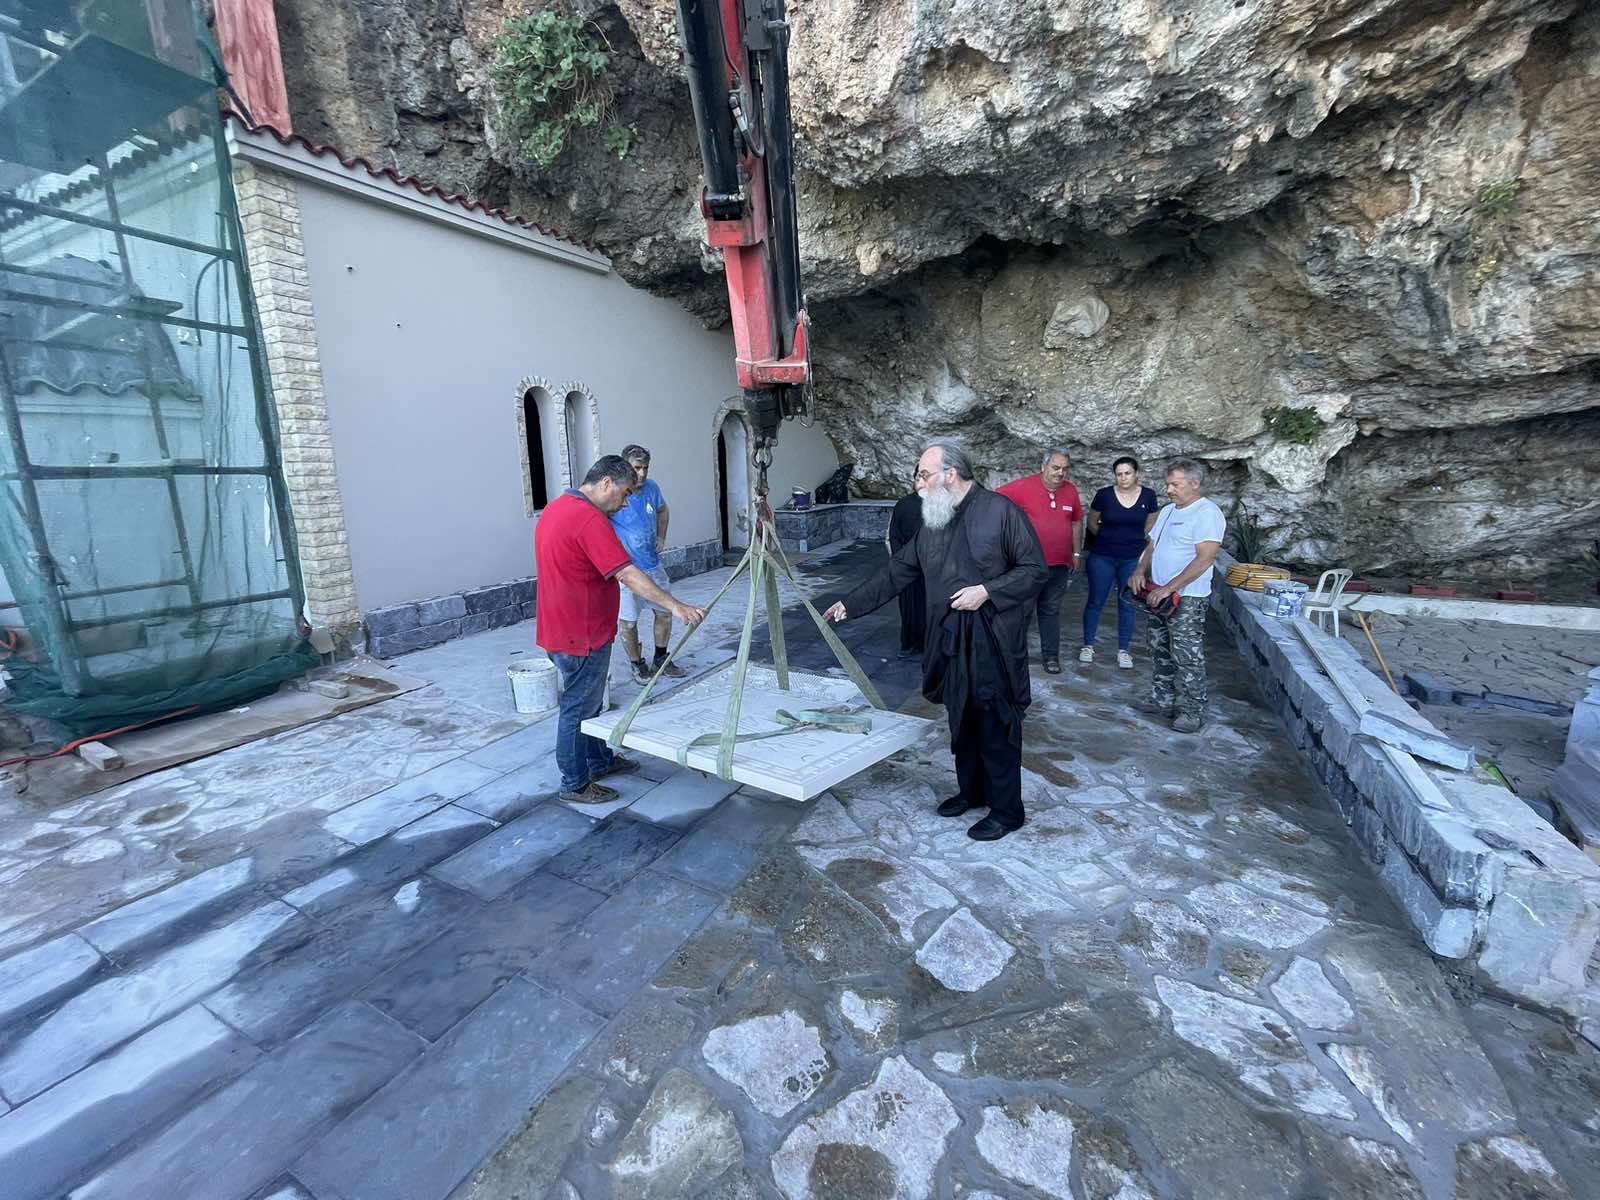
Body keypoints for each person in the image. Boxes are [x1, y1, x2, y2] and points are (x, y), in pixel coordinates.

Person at [824, 439, 1047, 841]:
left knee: (995, 724)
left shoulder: (1001, 512)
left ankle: (1007, 810)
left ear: (951, 473)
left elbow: (1034, 570)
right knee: (961, 718)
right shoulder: (935, 521)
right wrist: (849, 604)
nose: (919, 484)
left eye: (925, 474)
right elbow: (897, 571)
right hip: (948, 637)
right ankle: (972, 793)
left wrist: (987, 591)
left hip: (992, 639)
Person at [535, 455, 706, 803]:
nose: (626, 502)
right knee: (578, 708)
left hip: (561, 628)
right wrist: (675, 605)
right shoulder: (588, 519)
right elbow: (626, 573)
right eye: (626, 493)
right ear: (606, 483)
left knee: (589, 703)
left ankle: (598, 761)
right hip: (581, 634)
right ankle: (575, 784)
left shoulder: (557, 508)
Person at [1128, 458, 1225, 733]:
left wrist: (1169, 588)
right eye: (1168, 484)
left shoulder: (1207, 513)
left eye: (1175, 484)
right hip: (1158, 594)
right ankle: (1162, 699)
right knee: (1159, 647)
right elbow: (1152, 546)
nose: (1168, 490)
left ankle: (1193, 711)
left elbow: (1205, 558)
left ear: (1194, 484)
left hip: (1187, 598)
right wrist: (1140, 571)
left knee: (1187, 655)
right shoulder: (1169, 511)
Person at [997, 448, 1082, 674]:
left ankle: (1051, 657)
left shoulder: (1070, 490)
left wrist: (1076, 553)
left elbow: (1076, 522)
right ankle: (1013, 657)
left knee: (1050, 611)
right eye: (1056, 467)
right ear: (1043, 466)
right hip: (1029, 566)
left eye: (1065, 469)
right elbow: (994, 502)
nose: (1060, 473)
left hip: (1059, 565)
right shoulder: (1022, 487)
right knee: (1022, 612)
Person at [612, 444, 685, 683]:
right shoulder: (616, 494)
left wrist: (661, 536)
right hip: (626, 571)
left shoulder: (652, 488)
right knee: (628, 622)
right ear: (625, 468)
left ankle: (661, 658)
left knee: (665, 612)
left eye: (645, 468)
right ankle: (637, 664)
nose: (642, 473)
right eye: (637, 468)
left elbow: (663, 511)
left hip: (653, 565)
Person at [1080, 456, 1160, 669]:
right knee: (1096, 600)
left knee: (1127, 603)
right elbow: (1092, 521)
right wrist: (1108, 538)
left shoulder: (1148, 496)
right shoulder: (1104, 495)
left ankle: (1124, 651)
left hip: (1132, 558)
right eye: (1119, 474)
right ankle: (1088, 646)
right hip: (1102, 556)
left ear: (1136, 473)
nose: (1123, 478)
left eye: (1128, 473)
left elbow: (1151, 524)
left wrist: (1133, 540)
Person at [888, 488, 926, 658]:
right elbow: (894, 535)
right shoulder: (904, 504)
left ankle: (928, 643)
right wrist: (901, 560)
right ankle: (909, 644)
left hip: (931, 568)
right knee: (909, 608)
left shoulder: (941, 503)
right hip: (908, 566)